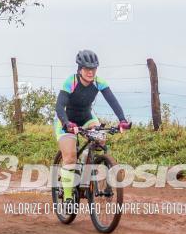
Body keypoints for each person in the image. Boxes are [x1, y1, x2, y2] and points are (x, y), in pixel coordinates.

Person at [54, 50, 131, 203]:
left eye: (93, 69)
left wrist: (122, 120)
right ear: (80, 69)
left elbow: (112, 101)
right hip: (66, 120)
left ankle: (88, 167)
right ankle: (69, 196)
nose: (90, 72)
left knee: (101, 139)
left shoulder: (98, 82)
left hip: (87, 117)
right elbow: (59, 106)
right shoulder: (71, 81)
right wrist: (67, 123)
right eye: (87, 69)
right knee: (69, 157)